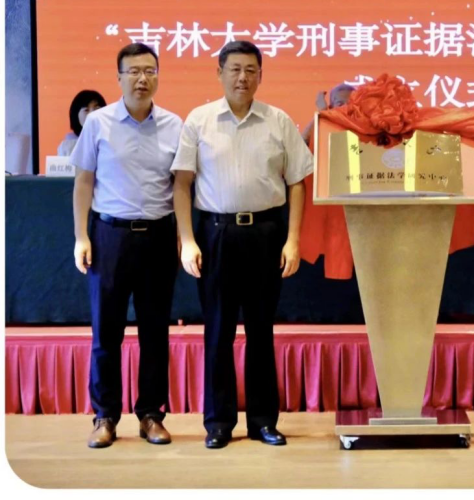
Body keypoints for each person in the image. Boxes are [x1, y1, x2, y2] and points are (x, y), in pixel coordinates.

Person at [172, 41, 314, 449]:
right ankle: (218, 423)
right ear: (219, 73)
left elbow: (297, 183)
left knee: (261, 331)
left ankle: (263, 421)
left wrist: (293, 239)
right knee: (218, 331)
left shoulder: (278, 121)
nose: (242, 78)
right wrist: (187, 240)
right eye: (234, 69)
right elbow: (182, 184)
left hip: (266, 235)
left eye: (251, 70)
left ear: (260, 75)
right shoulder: (199, 120)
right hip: (215, 235)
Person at [70, 43, 181, 448]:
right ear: (118, 78)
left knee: (155, 332)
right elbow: (83, 182)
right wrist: (82, 236)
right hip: (110, 237)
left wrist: (183, 237)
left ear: (158, 76)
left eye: (149, 70)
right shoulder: (98, 123)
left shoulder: (174, 125)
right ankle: (105, 416)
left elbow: (181, 186)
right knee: (106, 332)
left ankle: (151, 415)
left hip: (158, 236)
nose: (142, 79)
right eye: (133, 71)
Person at [58, 90, 106, 157]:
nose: (92, 114)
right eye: (86, 110)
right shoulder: (68, 147)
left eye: (97, 108)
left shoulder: (111, 142)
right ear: (76, 115)